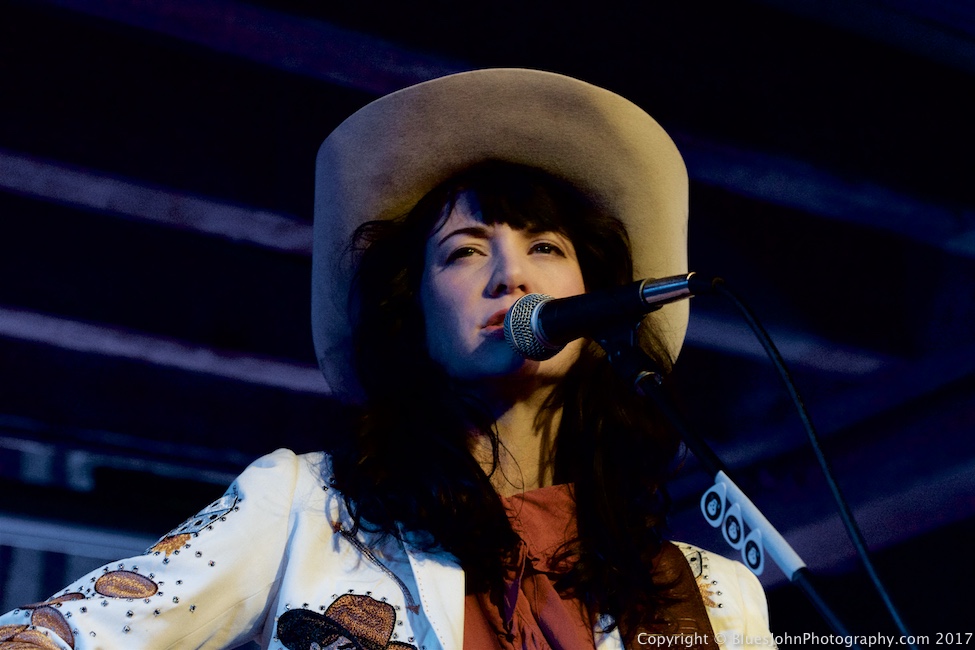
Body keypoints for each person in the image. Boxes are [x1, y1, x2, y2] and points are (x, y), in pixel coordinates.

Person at [0, 69, 773, 649]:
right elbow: (59, 634)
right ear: (415, 317)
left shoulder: (711, 597)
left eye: (544, 247)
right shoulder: (306, 505)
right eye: (466, 252)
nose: (512, 275)